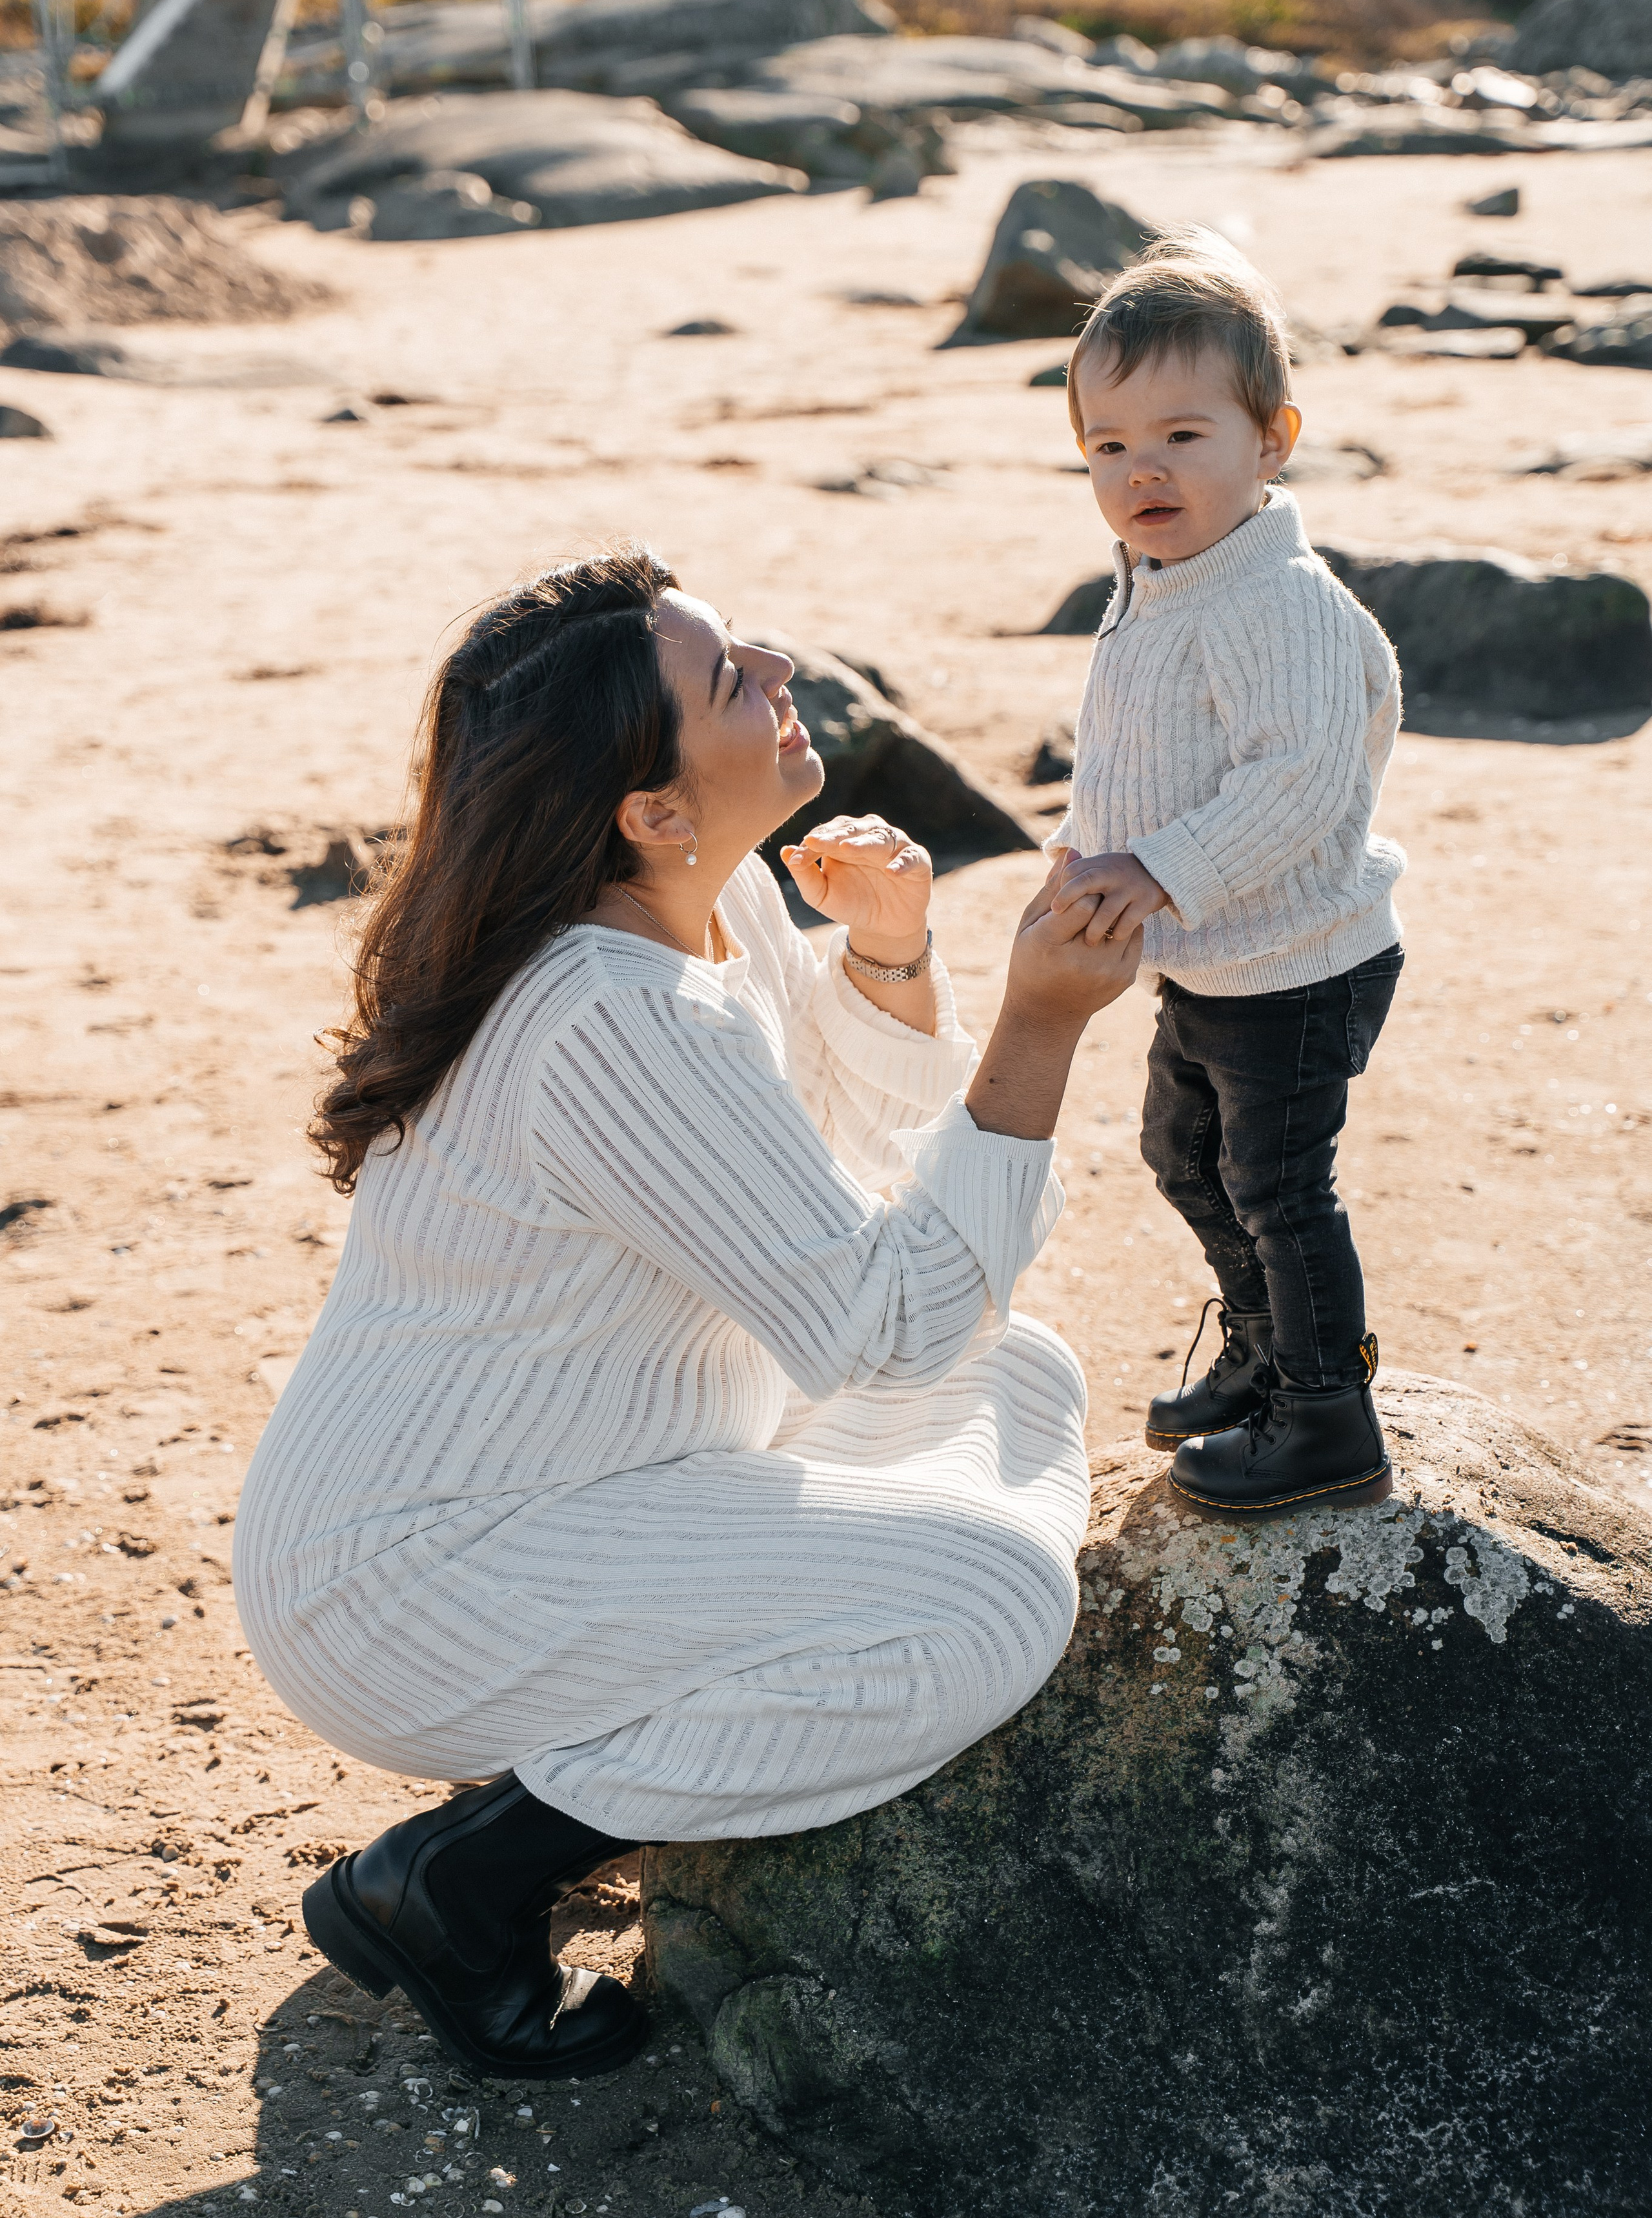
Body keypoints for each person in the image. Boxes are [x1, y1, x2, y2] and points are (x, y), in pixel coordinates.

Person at [234, 547, 1140, 2084]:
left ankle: (661, 1704)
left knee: (1020, 1374)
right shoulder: (608, 1012)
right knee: (989, 1603)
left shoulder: (703, 919)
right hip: (416, 1575)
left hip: (622, 1466)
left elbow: (850, 1201)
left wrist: (886, 957)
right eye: (732, 678)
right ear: (650, 810)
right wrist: (1036, 1024)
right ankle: (467, 1875)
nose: (779, 667)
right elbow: (886, 1324)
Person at [1046, 232, 1406, 1517]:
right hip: (1215, 951)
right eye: (1106, 444)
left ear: (1270, 441)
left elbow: (1293, 779)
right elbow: (1146, 746)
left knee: (1273, 1180)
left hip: (1299, 958)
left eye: (1181, 435)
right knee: (1181, 1150)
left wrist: (1153, 865)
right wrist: (1094, 850)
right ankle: (1262, 1353)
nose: (1139, 467)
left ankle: (1325, 1417)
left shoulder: (1278, 604)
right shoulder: (1163, 579)